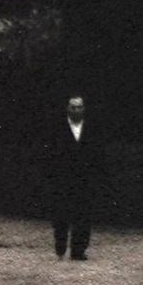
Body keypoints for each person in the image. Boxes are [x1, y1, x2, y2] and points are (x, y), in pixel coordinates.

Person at [45, 94, 101, 261]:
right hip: (63, 180)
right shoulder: (57, 129)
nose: (76, 110)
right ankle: (61, 243)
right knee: (61, 215)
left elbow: (96, 154)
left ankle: (78, 249)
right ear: (68, 109)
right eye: (73, 107)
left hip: (84, 180)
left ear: (84, 109)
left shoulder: (91, 129)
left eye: (79, 107)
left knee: (83, 215)